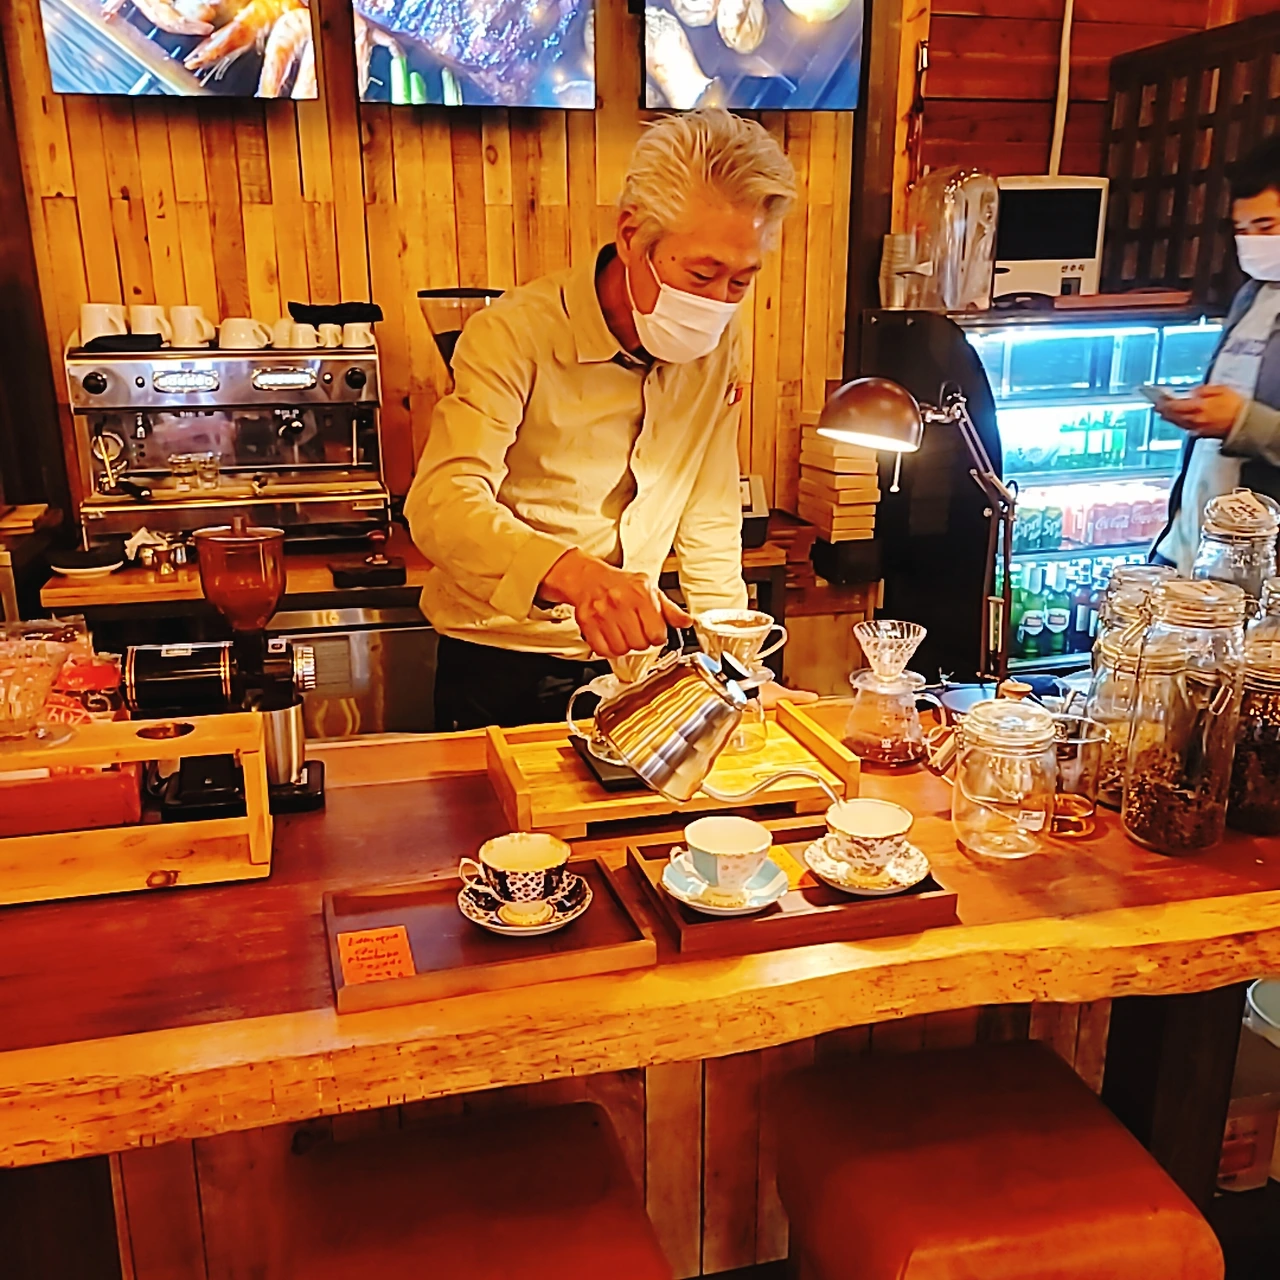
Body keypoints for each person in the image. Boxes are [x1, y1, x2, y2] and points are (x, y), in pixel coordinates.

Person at [406, 109, 810, 730]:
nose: (716, 303)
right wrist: (574, 575)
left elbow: (708, 508)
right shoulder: (514, 334)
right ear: (631, 235)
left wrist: (739, 668)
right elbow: (443, 503)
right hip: (501, 662)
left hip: (637, 666)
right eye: (701, 274)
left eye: (740, 283)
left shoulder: (721, 345)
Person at [1153, 136, 1280, 572]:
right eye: (1241, 230)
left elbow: (1245, 418)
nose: (1251, 242)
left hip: (1259, 562)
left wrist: (1242, 422)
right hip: (1193, 543)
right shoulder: (1251, 297)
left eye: (1265, 227)